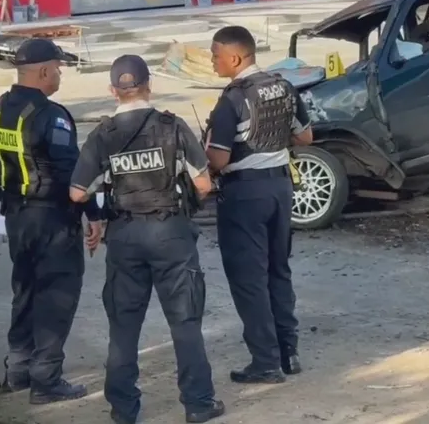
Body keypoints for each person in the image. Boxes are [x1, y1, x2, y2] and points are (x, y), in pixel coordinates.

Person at [70, 55, 226, 424]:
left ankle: (124, 410)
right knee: (185, 322)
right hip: (170, 233)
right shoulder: (173, 127)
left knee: (123, 327)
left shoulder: (102, 135)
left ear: (113, 91)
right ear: (148, 86)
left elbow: (77, 193)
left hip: (124, 235)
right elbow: (203, 184)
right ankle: (199, 404)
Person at [0, 38, 101, 404]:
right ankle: (46, 378)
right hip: (52, 220)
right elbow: (72, 174)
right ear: (45, 70)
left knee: (27, 291)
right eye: (59, 68)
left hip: (17, 216)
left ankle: (18, 370)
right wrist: (93, 214)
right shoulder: (53, 116)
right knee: (57, 296)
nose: (61, 74)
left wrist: (7, 200)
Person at [204, 25, 313, 385]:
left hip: (244, 195)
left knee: (249, 279)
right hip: (281, 189)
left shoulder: (232, 99)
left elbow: (218, 161)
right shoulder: (282, 85)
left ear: (234, 57)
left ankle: (265, 362)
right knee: (278, 270)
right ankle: (288, 353)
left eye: (216, 55)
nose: (213, 61)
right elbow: (305, 136)